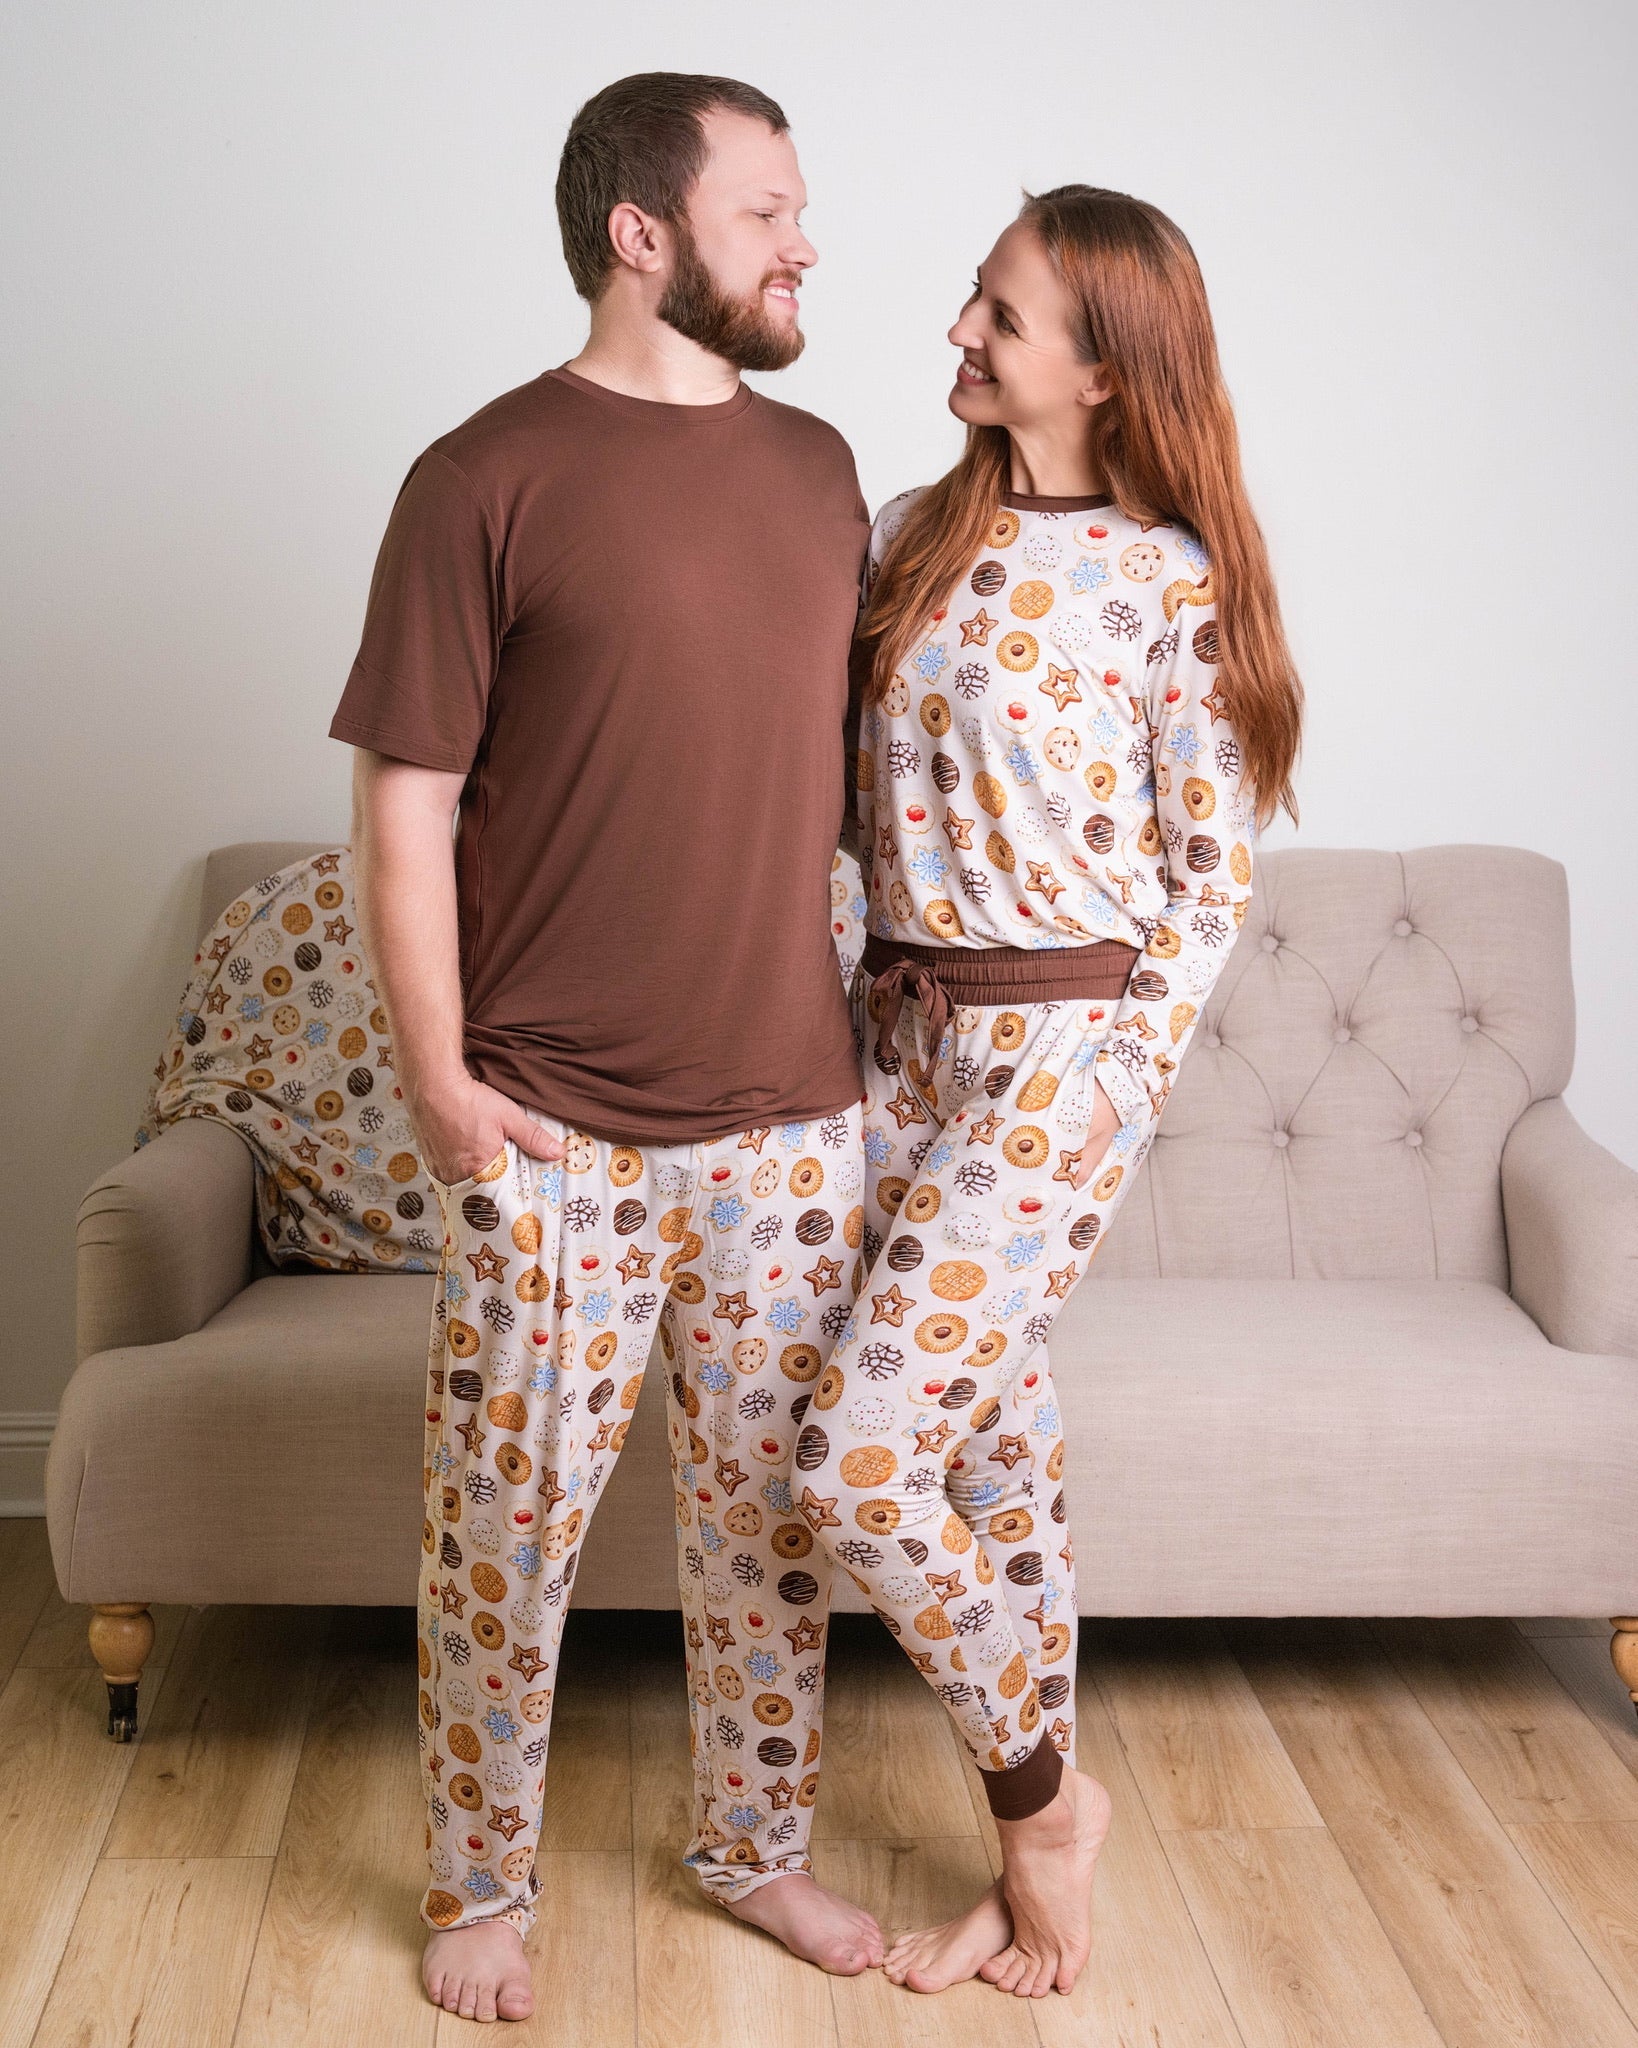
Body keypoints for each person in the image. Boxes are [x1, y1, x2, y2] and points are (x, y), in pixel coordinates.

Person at [331, 72, 885, 2025]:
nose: (806, 243)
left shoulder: (822, 470)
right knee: (502, 1535)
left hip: (794, 1123)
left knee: (767, 1534)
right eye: (766, 210)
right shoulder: (479, 475)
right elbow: (406, 805)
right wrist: (444, 1092)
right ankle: (479, 1883)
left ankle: (756, 1848)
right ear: (642, 234)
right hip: (550, 1130)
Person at [804, 184, 1304, 1999]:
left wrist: (1110, 1088)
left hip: (1054, 1063)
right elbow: (829, 809)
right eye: (972, 296)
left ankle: (1041, 1810)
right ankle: (1029, 1860)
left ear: (1101, 371)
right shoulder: (900, 534)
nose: (957, 328)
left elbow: (1209, 882)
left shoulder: (1171, 585)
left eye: (999, 315)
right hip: (889, 1049)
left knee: (858, 1466)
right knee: (992, 1459)